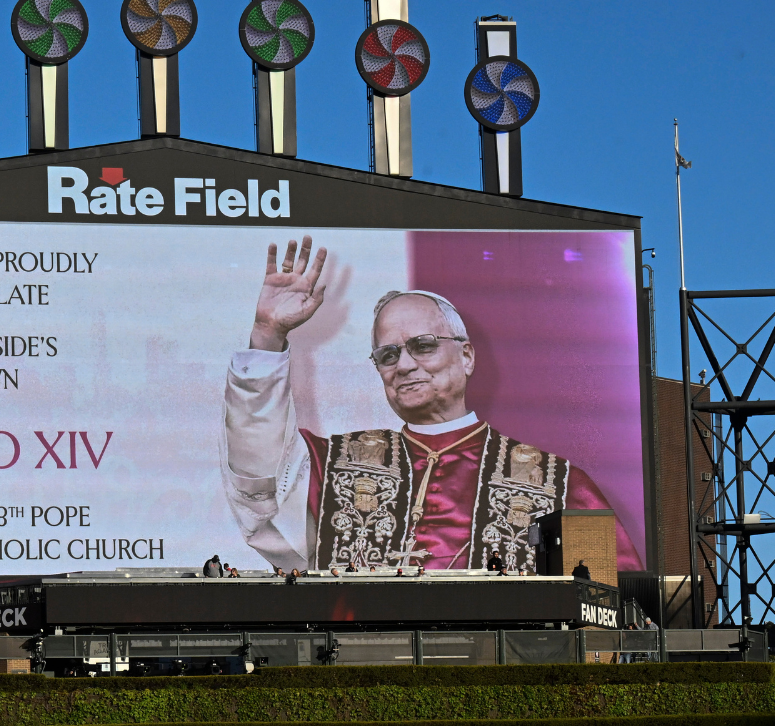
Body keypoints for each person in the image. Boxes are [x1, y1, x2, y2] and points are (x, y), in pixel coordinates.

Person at [222, 236, 641, 574]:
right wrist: (267, 335)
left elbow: (608, 606)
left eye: (423, 346)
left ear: (467, 356)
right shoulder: (334, 463)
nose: (404, 365)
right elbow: (257, 479)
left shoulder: (560, 484)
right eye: (387, 355)